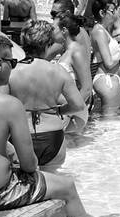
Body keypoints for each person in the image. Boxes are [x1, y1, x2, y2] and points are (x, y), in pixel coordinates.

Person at [0, 34, 98, 217]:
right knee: (67, 186)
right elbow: (29, 165)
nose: (13, 67)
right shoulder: (9, 104)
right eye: (12, 63)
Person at [9, 21, 89, 172]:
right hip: (53, 137)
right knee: (52, 184)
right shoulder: (58, 71)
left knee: (23, 185)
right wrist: (59, 112)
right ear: (48, 44)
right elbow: (78, 105)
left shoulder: (11, 72)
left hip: (21, 136)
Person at [86, 0, 120, 113]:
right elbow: (109, 63)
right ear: (102, 13)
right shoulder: (99, 31)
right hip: (106, 79)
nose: (115, 13)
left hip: (111, 79)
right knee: (111, 123)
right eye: (112, 11)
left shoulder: (103, 30)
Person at [51, 14, 94, 108]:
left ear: (64, 30)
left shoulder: (76, 52)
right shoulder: (68, 51)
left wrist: (71, 110)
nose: (52, 32)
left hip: (73, 111)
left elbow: (87, 88)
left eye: (53, 29)